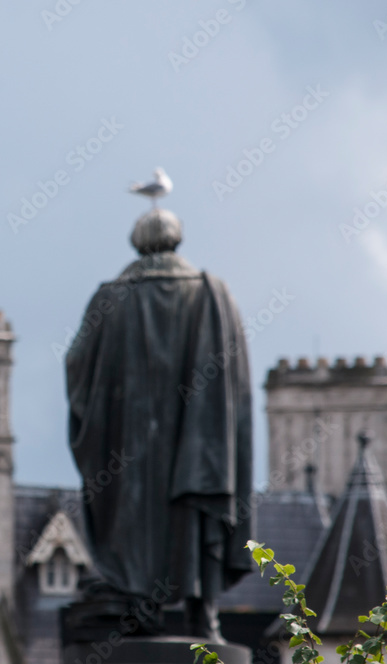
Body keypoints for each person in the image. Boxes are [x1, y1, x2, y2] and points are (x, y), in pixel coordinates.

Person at [65, 207, 253, 642]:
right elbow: (236, 390)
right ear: (177, 241)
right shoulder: (212, 294)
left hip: (128, 451)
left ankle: (140, 607)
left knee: (135, 523)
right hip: (198, 445)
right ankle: (203, 616)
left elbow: (77, 366)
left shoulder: (109, 297)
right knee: (193, 514)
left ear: (137, 243)